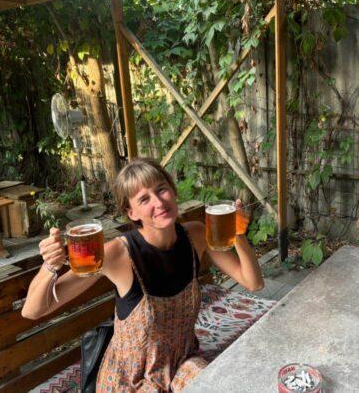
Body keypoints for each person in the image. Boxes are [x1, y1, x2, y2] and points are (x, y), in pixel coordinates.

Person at [22, 158, 264, 392]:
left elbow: (253, 283)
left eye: (162, 190)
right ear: (131, 212)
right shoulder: (119, 254)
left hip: (182, 363)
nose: (158, 202)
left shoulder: (196, 235)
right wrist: (50, 266)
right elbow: (32, 310)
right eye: (144, 199)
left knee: (218, 383)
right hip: (130, 381)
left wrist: (238, 235)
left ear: (173, 191)